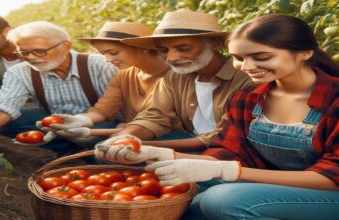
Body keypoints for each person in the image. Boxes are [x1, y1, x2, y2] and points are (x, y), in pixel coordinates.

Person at [95, 14, 339, 220]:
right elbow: (229, 151)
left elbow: (331, 176)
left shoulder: (333, 99)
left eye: (261, 57)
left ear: (305, 52)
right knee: (185, 197)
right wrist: (158, 154)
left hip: (329, 192)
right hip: (277, 184)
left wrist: (230, 172)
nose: (246, 66)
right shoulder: (250, 97)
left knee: (220, 200)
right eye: (239, 58)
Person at [0, 21, 117, 153]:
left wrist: (86, 123)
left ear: (66, 46)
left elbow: (118, 109)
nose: (31, 58)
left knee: (101, 147)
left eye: (40, 51)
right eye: (24, 53)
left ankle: (91, 150)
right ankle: (70, 151)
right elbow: (5, 104)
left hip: (100, 123)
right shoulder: (20, 72)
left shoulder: (99, 65)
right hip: (55, 121)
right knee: (6, 120)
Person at [111, 10, 252, 152]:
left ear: (215, 44)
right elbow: (154, 116)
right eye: (164, 50)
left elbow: (224, 135)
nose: (171, 58)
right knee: (113, 155)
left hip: (229, 148)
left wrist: (146, 147)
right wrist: (124, 137)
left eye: (183, 48)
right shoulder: (173, 77)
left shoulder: (246, 78)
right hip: (189, 139)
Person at [48, 21, 170, 142]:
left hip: (169, 136)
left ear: (142, 48)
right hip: (132, 133)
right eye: (103, 54)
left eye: (113, 53)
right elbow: (103, 110)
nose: (107, 59)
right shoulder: (123, 76)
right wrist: (80, 120)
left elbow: (162, 123)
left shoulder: (174, 76)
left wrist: (121, 132)